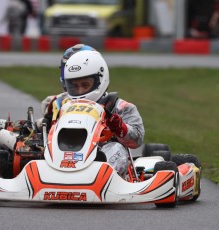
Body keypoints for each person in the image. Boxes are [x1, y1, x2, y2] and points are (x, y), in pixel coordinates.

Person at [41, 49, 145, 177]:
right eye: (74, 86)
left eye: (85, 85)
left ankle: (96, 179)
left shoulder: (120, 107)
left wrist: (120, 128)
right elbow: (43, 131)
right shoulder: (59, 104)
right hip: (62, 154)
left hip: (101, 157)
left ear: (99, 80)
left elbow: (137, 140)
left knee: (116, 149)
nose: (79, 90)